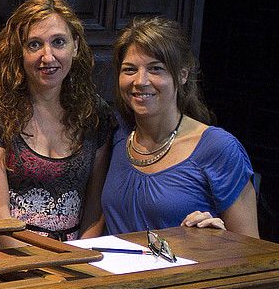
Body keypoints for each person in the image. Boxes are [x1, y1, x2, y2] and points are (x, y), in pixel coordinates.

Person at [0, 0, 115, 242]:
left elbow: (95, 210)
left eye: (58, 42)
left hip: (74, 255)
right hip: (8, 253)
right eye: (34, 45)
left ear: (75, 46)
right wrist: (31, 268)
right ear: (19, 52)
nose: (48, 56)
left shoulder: (95, 113)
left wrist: (82, 262)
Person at [101, 17, 258, 236]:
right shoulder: (118, 135)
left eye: (155, 69)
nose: (140, 81)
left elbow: (250, 252)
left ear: (183, 75)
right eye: (129, 70)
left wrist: (220, 240)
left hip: (185, 270)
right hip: (112, 270)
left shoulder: (219, 148)